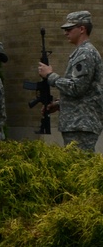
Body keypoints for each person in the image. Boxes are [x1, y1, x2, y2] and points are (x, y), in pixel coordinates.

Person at [38, 10, 103, 152]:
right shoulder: (81, 52)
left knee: (80, 169)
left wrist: (50, 76)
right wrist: (60, 104)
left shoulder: (85, 54)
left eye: (69, 29)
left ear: (82, 29)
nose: (65, 33)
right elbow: (85, 92)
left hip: (81, 124)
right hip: (78, 122)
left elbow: (77, 88)